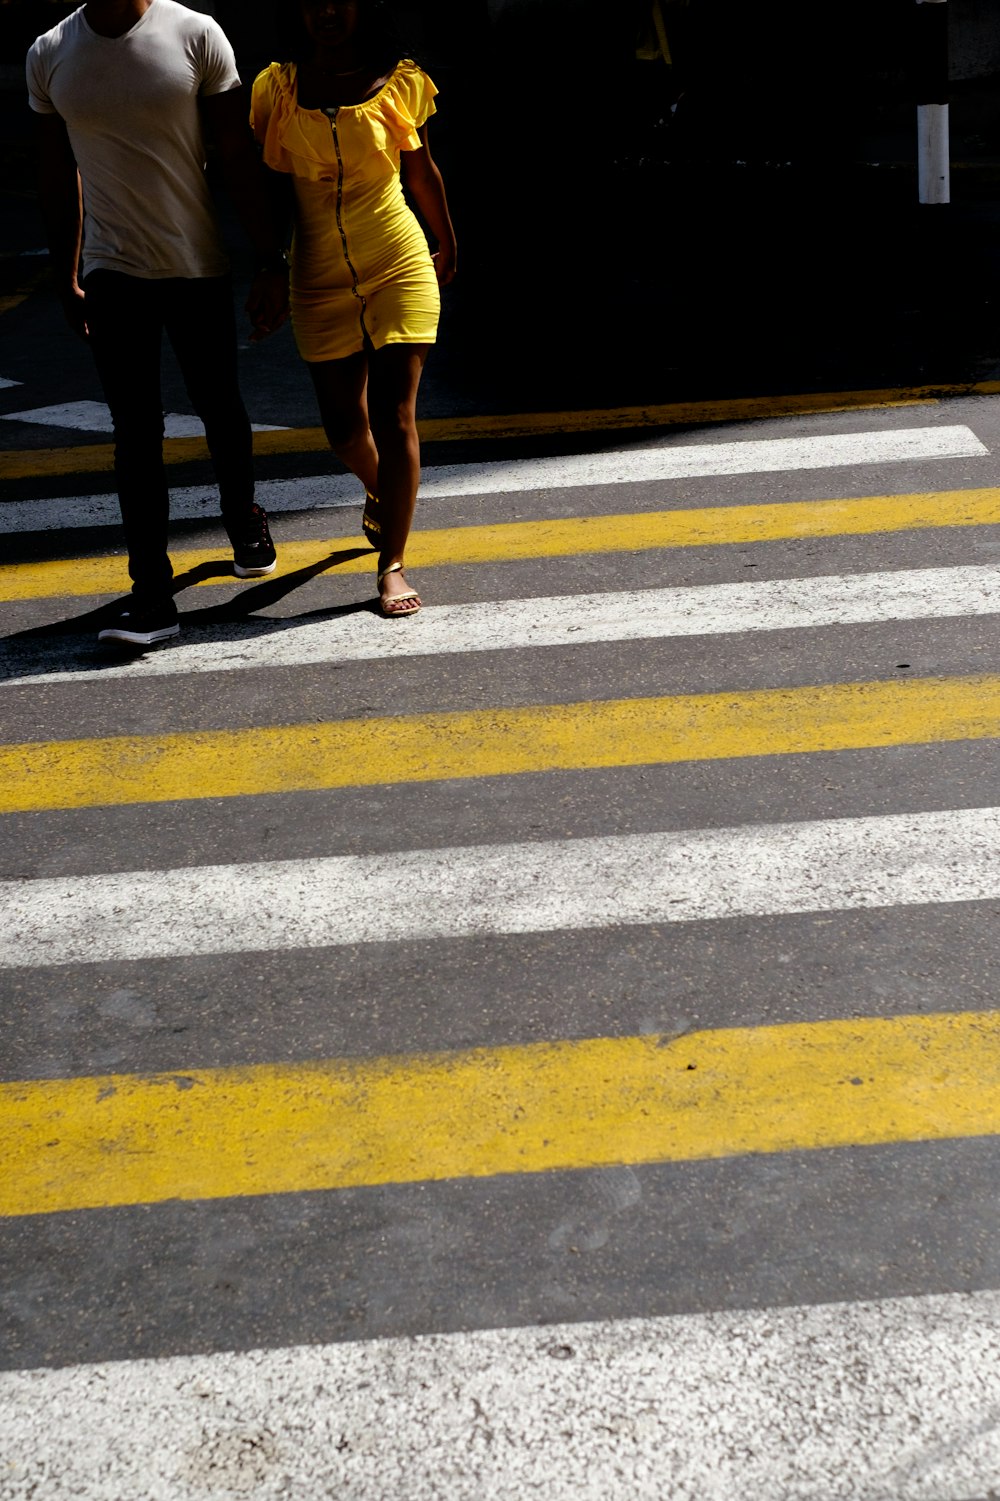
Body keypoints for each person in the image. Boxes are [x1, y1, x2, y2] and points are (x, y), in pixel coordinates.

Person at [27, 0, 291, 647]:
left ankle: (242, 517)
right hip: (113, 273)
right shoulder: (50, 52)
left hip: (195, 263)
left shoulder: (196, 34)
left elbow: (235, 151)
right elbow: (59, 176)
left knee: (220, 408)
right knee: (134, 433)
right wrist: (66, 271)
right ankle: (151, 593)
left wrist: (269, 260)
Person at [250, 0, 456, 617]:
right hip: (317, 275)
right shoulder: (277, 88)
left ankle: (391, 563)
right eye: (310, 0)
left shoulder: (397, 81)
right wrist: (269, 264)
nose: (324, 11)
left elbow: (420, 171)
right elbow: (268, 187)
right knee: (344, 431)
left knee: (396, 418)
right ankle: (383, 491)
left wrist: (445, 239)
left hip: (396, 259)